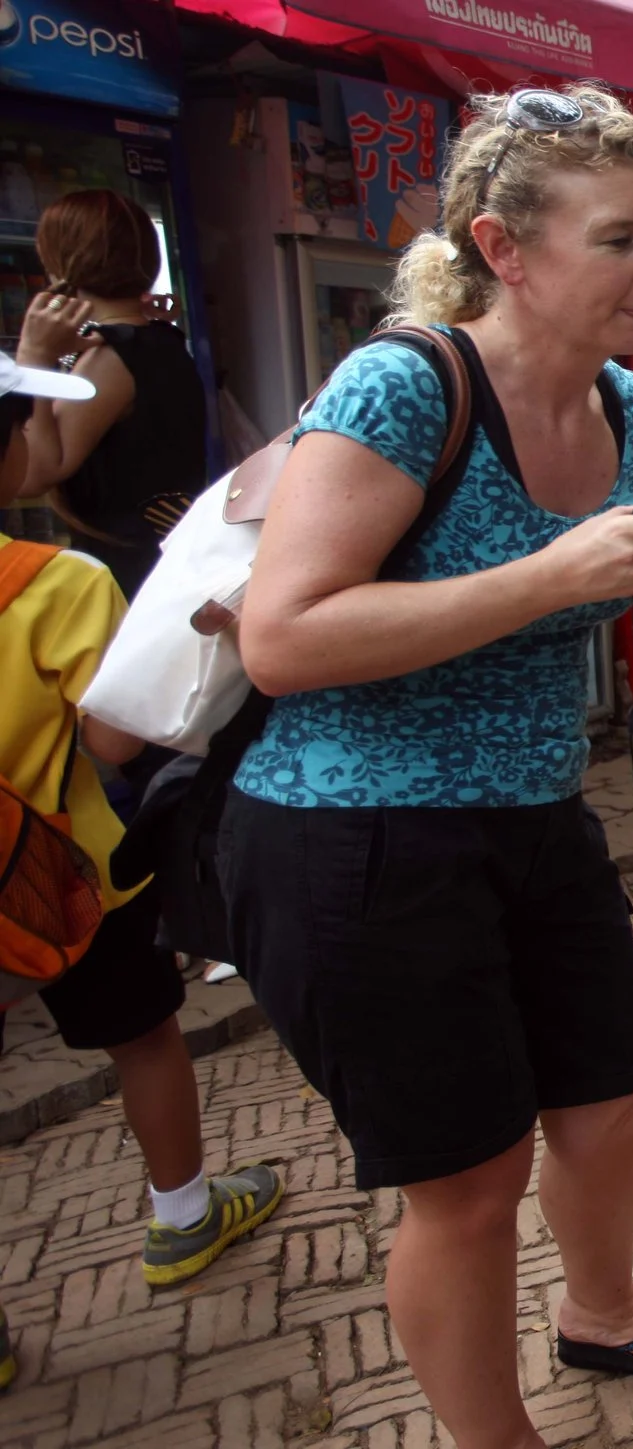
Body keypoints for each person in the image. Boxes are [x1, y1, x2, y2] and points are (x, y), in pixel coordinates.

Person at [224, 86, 633, 1442]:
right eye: (620, 239)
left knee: (614, 1101)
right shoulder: (404, 382)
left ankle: (602, 1311)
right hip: (357, 839)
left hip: (536, 819)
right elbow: (282, 638)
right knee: (469, 1181)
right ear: (507, 248)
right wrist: (548, 575)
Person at [0, 356, 284, 1341]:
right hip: (74, 876)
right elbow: (118, 737)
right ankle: (182, 1217)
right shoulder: (52, 584)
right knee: (142, 1038)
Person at [8, 189, 210, 598]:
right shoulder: (162, 339)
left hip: (126, 573)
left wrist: (34, 356)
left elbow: (33, 473)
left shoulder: (113, 356)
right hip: (162, 561)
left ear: (58, 256)